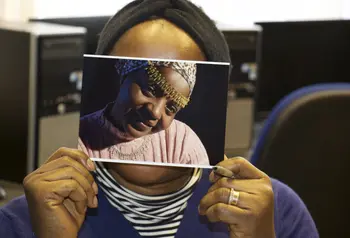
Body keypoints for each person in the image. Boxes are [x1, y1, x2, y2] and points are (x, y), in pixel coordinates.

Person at [0, 1, 319, 238]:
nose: (155, 113)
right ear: (115, 78)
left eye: (172, 107)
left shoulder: (275, 212)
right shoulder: (32, 215)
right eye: (149, 88)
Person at [78, 58, 210, 165]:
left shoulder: (183, 143)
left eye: (171, 108)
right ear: (125, 75)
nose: (156, 113)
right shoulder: (80, 138)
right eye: (151, 90)